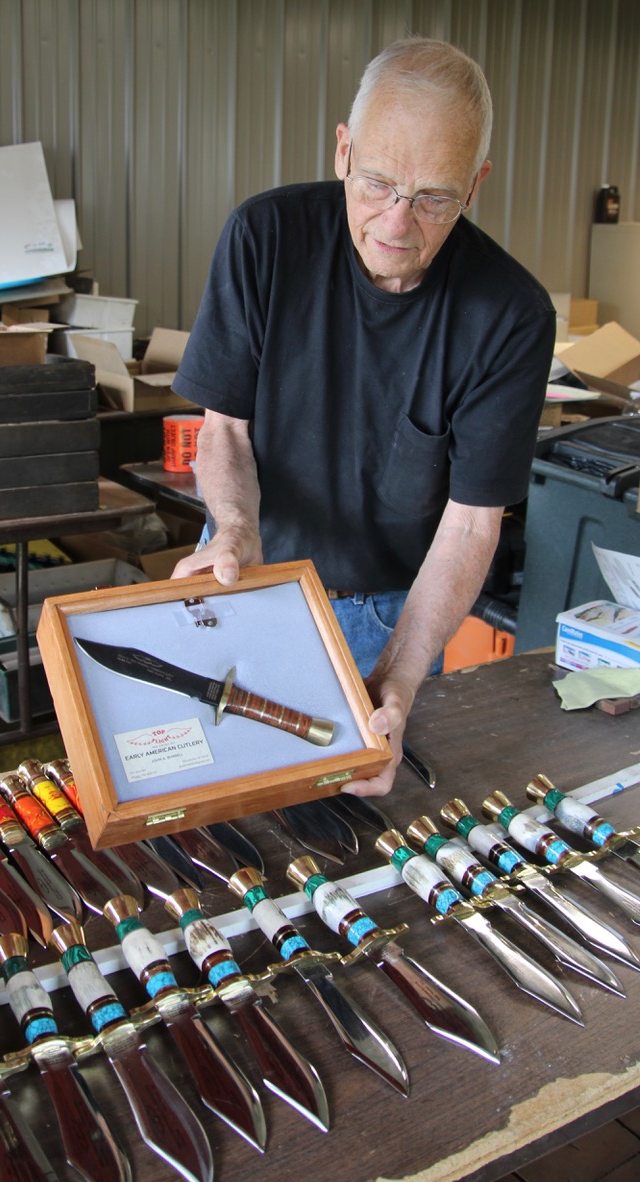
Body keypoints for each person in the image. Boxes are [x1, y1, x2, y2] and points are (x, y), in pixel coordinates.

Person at [170, 37, 555, 796]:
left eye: (434, 198)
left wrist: (402, 672)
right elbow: (226, 430)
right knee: (207, 802)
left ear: (474, 186)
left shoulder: (508, 314)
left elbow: (472, 521)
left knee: (358, 840)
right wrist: (237, 530)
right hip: (243, 577)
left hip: (387, 618)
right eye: (377, 183)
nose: (398, 222)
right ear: (342, 152)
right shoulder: (265, 238)